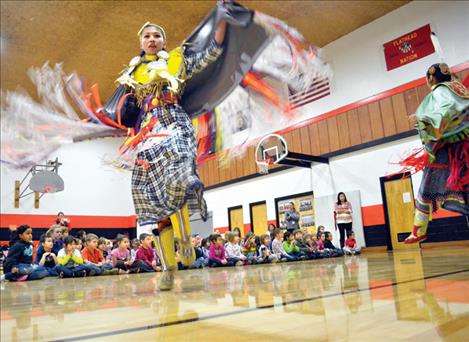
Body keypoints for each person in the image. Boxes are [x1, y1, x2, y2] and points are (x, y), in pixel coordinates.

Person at [117, 16, 227, 290]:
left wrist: (223, 20)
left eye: (157, 35)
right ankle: (168, 268)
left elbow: (210, 54)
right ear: (141, 42)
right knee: (155, 199)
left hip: (174, 122)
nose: (152, 39)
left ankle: (186, 239)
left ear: (164, 41)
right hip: (147, 131)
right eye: (147, 36)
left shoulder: (176, 59)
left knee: (179, 177)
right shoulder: (132, 73)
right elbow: (121, 109)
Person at [403, 63, 468, 243]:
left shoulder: (440, 90)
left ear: (430, 78)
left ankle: (419, 229)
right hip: (463, 145)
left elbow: (444, 111)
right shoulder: (459, 89)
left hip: (450, 148)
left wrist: (422, 121)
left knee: (426, 186)